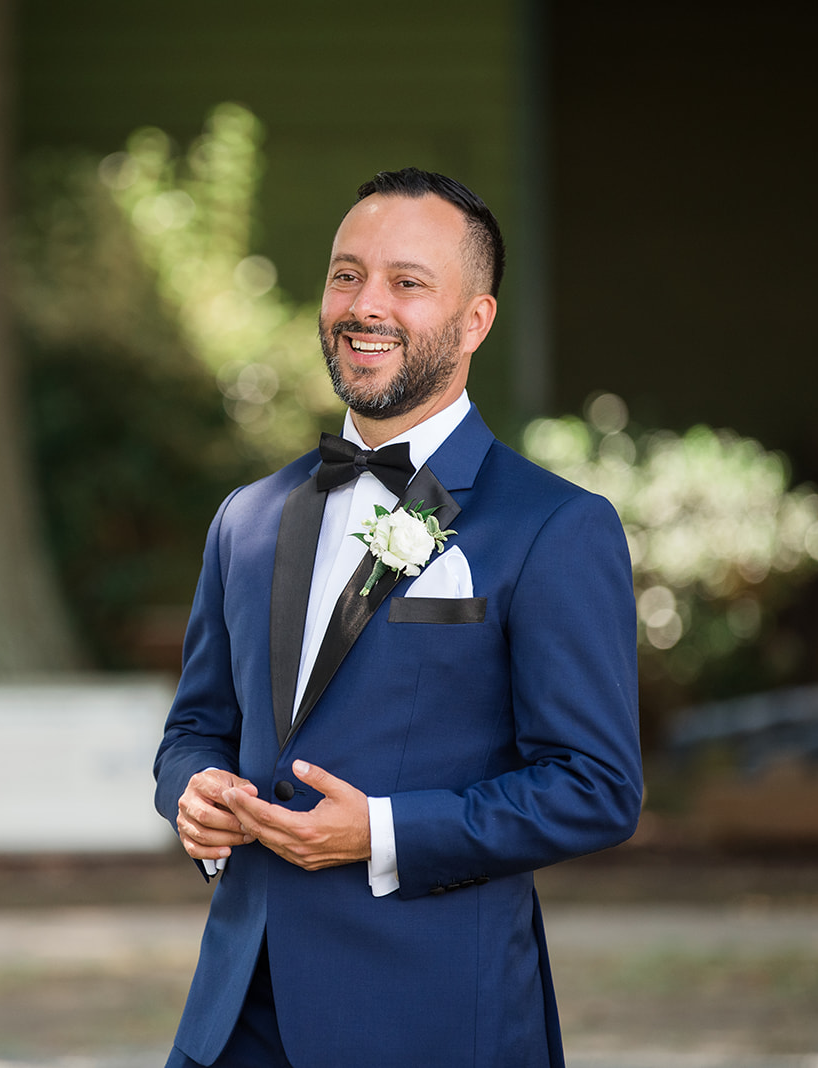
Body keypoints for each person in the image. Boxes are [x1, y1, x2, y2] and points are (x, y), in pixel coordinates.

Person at [153, 167, 643, 1068]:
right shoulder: (247, 518)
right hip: (232, 1022)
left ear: (475, 320)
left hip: (431, 1024)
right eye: (347, 275)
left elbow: (596, 786)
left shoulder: (555, 528)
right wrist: (192, 792)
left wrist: (381, 831)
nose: (364, 304)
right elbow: (196, 727)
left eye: (407, 282)